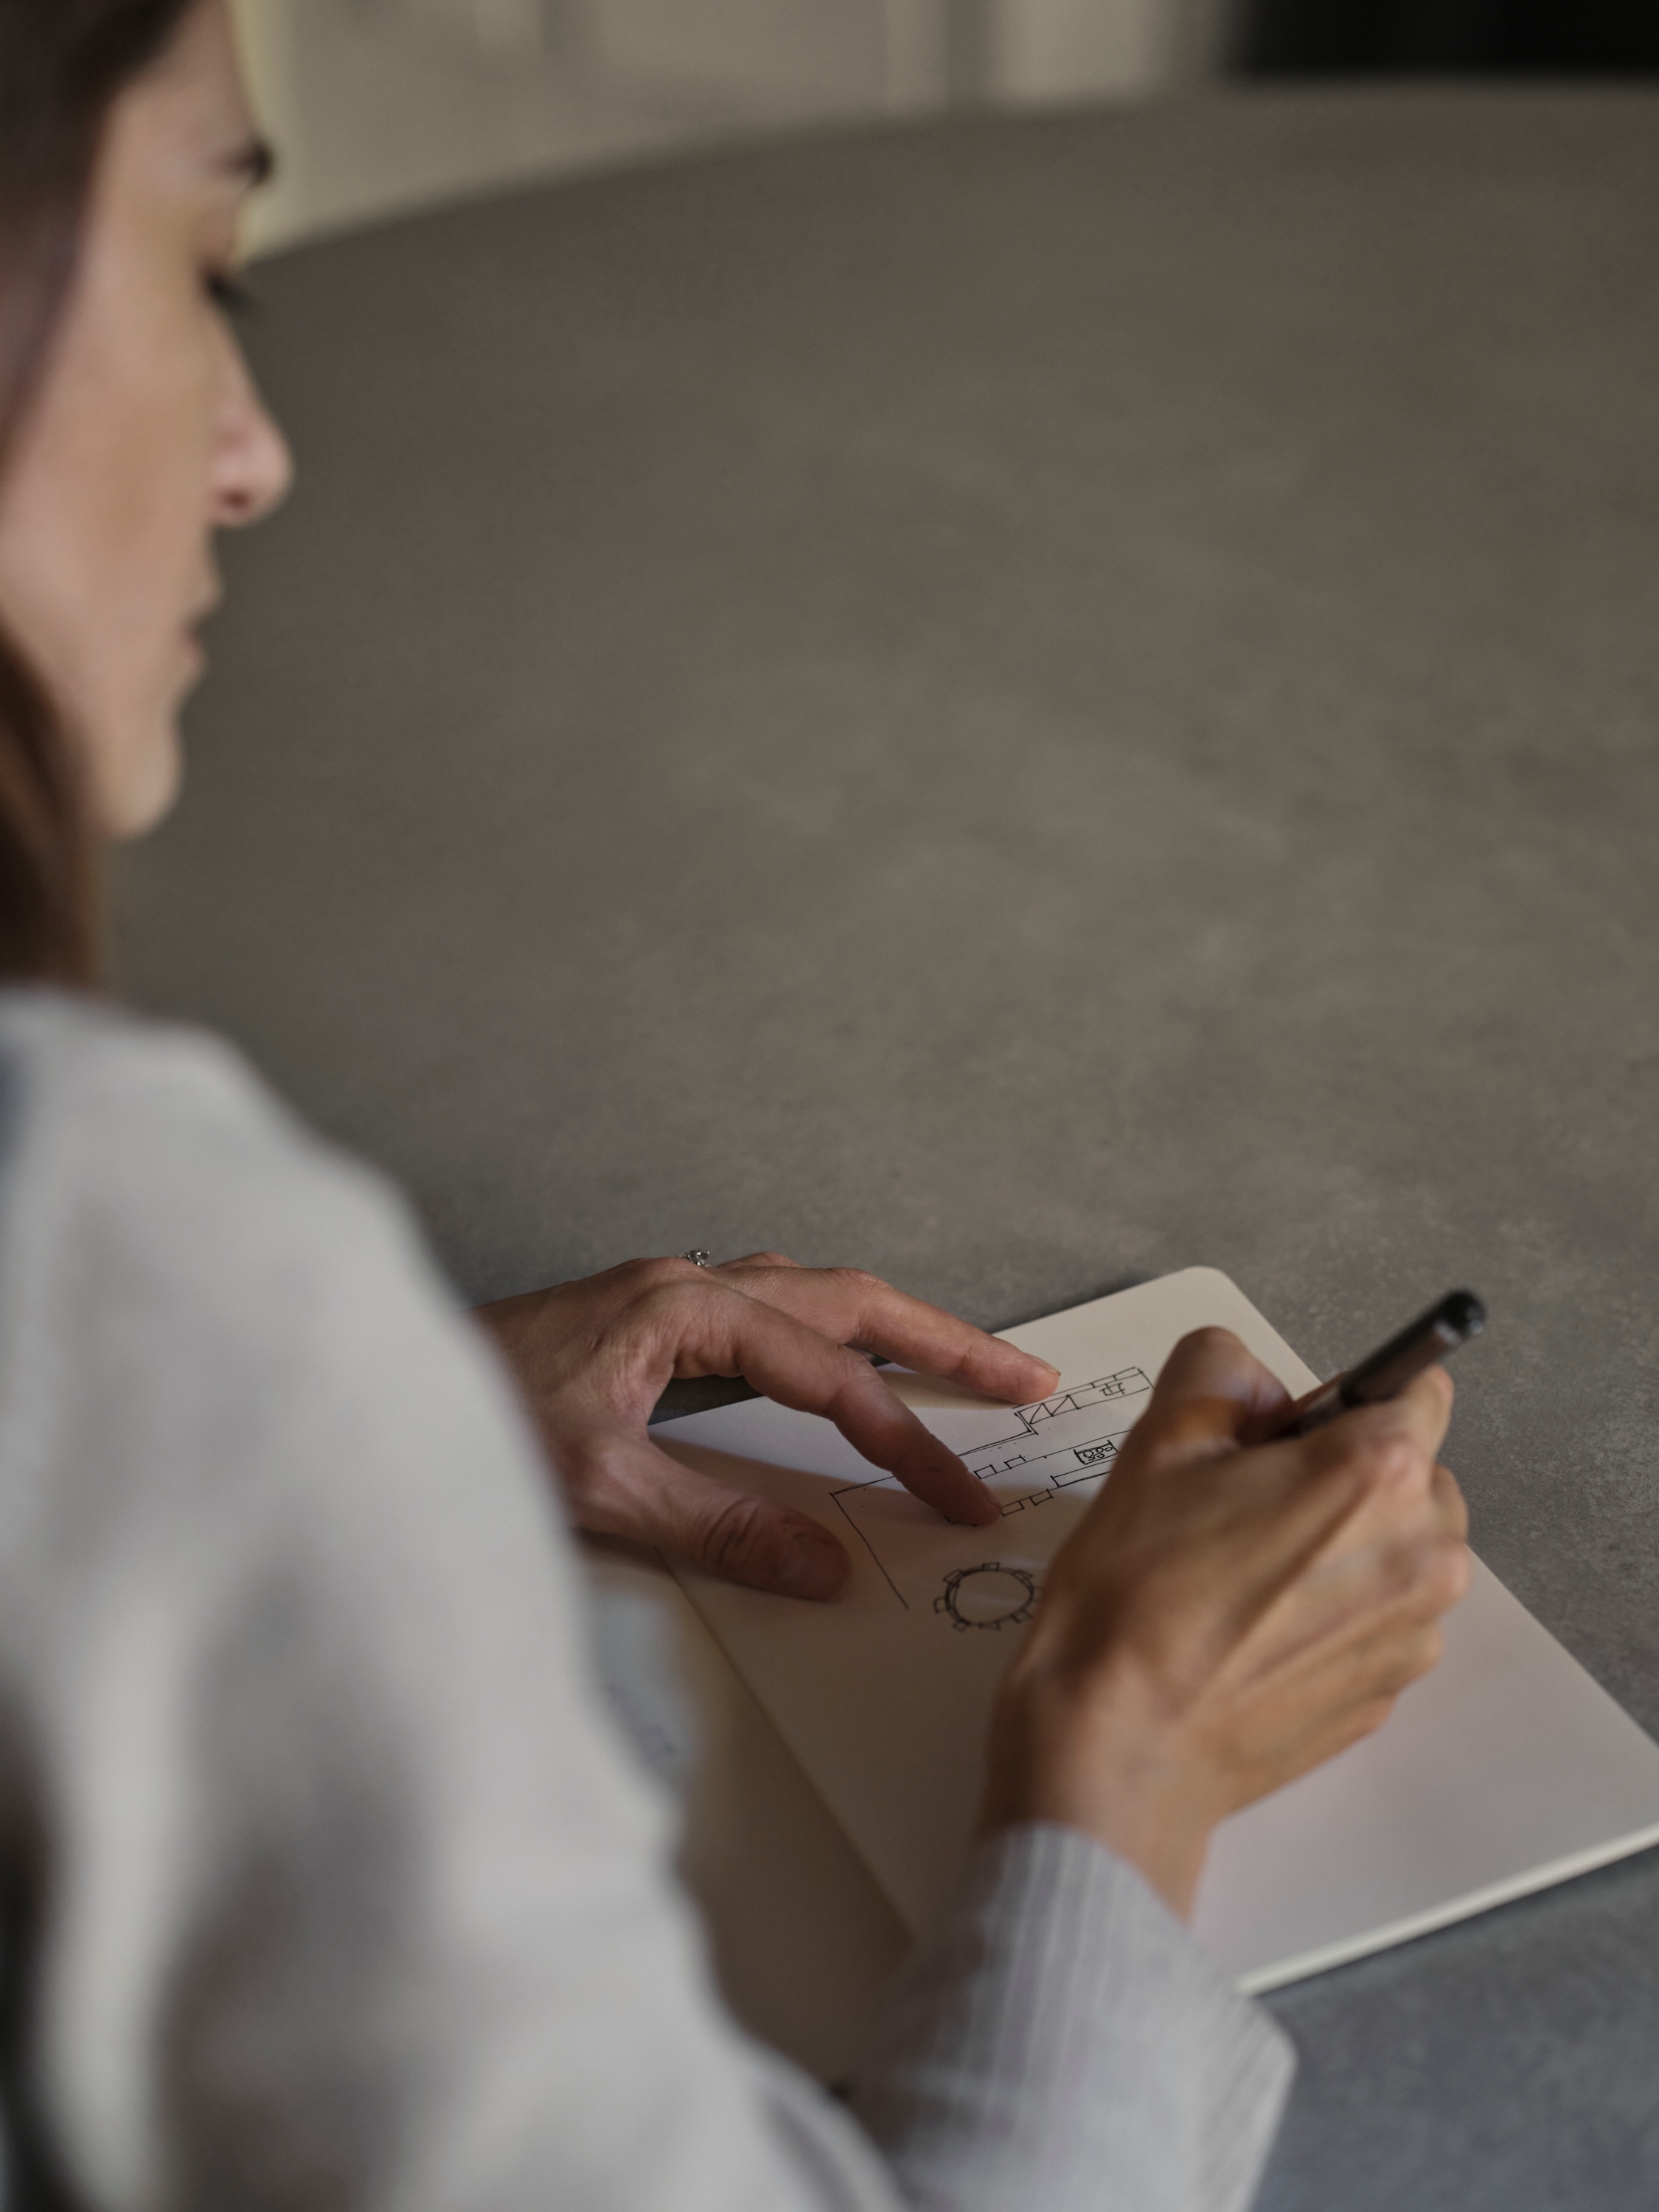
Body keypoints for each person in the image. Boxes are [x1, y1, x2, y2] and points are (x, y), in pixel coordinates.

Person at [0, 4, 1471, 2206]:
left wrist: (395, 1421)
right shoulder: (128, 1259)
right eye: (208, 276)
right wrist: (1125, 1765)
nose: (253, 456)